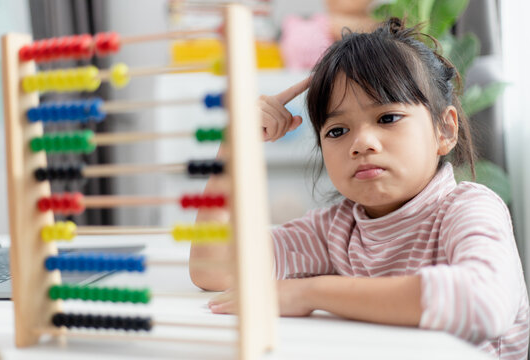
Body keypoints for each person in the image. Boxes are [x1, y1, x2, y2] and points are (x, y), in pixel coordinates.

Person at [189, 17, 529, 359]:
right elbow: (215, 268)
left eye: (387, 118)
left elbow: (484, 302)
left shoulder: (469, 207)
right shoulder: (335, 230)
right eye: (337, 131)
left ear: (445, 130)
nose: (362, 143)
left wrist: (310, 293)